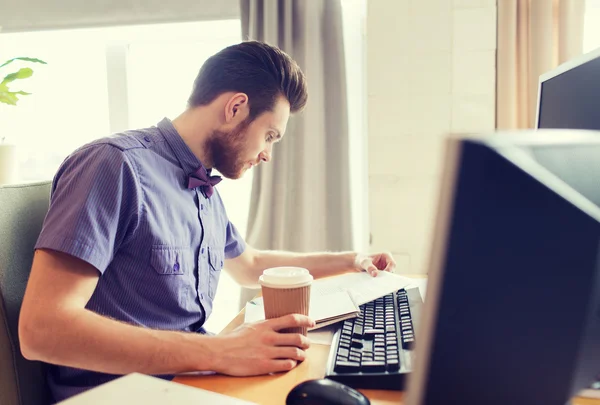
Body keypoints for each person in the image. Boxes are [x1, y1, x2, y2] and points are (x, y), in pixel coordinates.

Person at [18, 40, 396, 402]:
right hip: (118, 394)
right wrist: (219, 351)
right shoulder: (114, 165)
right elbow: (42, 330)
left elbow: (250, 265)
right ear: (235, 108)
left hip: (186, 380)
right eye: (269, 135)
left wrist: (351, 260)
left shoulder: (203, 189)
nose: (267, 154)